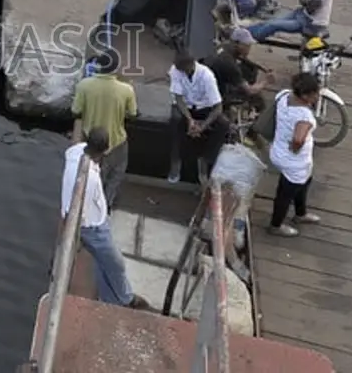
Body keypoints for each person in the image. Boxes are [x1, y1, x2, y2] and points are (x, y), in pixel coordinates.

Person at [60, 129, 149, 308]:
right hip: (92, 227)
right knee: (116, 264)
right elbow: (81, 213)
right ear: (105, 150)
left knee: (103, 262)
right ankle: (126, 299)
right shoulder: (90, 179)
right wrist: (78, 239)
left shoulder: (75, 152)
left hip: (94, 221)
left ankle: (109, 297)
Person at [71, 55, 137, 209]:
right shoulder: (127, 89)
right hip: (117, 142)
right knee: (115, 175)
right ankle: (106, 206)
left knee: (95, 177)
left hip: (92, 141)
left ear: (98, 66)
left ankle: (92, 207)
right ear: (116, 68)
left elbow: (75, 111)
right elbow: (133, 114)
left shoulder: (84, 85)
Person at [267, 72, 323, 237]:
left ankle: (300, 213)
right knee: (286, 193)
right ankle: (275, 225)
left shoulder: (283, 95)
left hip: (278, 149)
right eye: (315, 94)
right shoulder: (304, 116)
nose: (317, 96)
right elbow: (298, 139)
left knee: (304, 181)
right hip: (293, 160)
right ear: (305, 96)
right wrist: (296, 148)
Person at [167, 51, 228, 184]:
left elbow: (218, 107)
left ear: (190, 65)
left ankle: (205, 160)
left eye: (183, 70)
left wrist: (203, 126)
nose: (180, 72)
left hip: (204, 107)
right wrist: (190, 120)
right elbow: (178, 98)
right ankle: (176, 162)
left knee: (223, 124)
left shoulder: (207, 76)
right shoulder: (175, 70)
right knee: (175, 121)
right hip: (186, 106)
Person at [206, 26, 271, 113]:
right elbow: (250, 90)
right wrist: (266, 81)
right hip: (212, 95)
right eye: (247, 46)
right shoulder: (230, 65)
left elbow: (241, 58)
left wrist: (262, 68)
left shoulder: (223, 46)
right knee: (257, 96)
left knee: (249, 68)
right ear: (238, 44)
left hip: (210, 78)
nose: (249, 49)